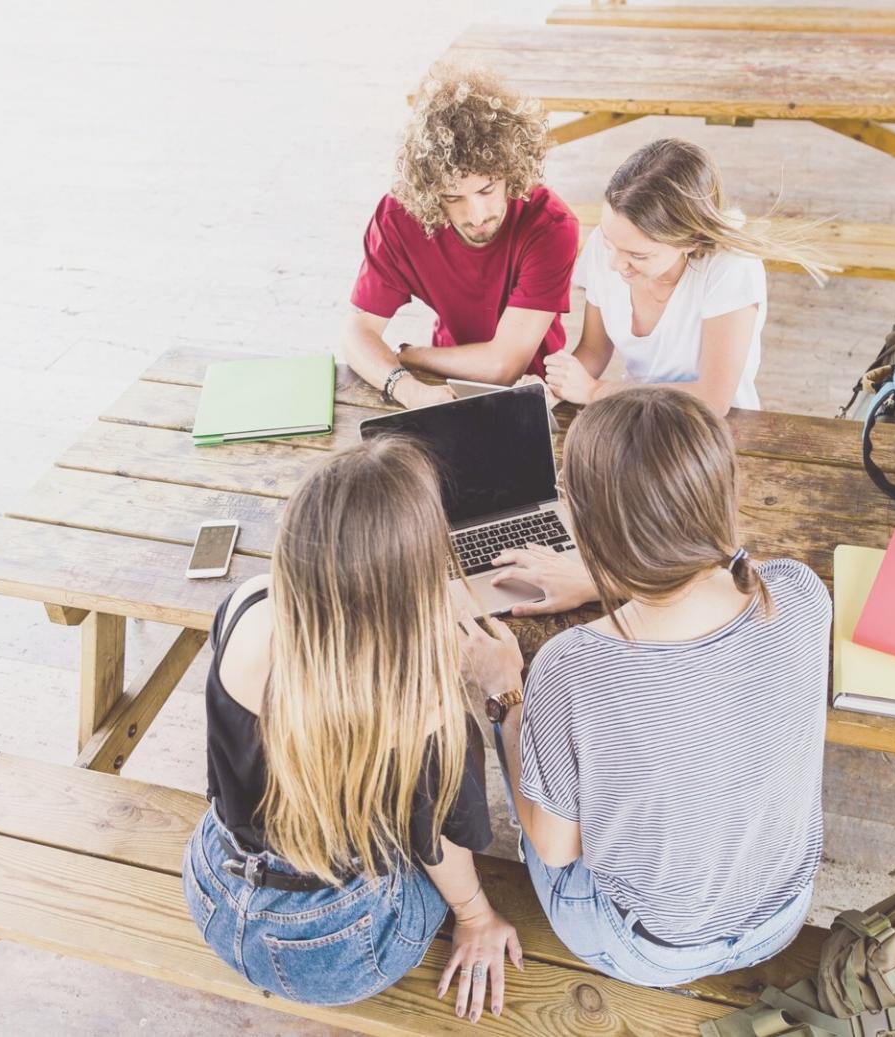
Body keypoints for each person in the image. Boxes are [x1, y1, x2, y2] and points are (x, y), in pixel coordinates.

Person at [460, 388, 833, 987]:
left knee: (526, 740)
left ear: (583, 524)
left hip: (653, 951)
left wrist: (505, 697)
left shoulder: (572, 665)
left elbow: (557, 851)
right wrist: (608, 575)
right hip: (783, 915)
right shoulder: (800, 591)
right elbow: (718, 578)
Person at [182, 438, 522, 1022]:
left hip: (215, 886)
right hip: (338, 943)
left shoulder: (246, 606)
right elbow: (439, 844)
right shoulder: (424, 707)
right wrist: (476, 917)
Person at [344, 64, 581, 410]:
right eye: (453, 198)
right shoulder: (398, 217)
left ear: (513, 173)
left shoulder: (551, 225)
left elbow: (502, 366)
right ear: (429, 192)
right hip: (438, 386)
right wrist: (407, 388)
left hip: (534, 389)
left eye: (487, 189)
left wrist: (417, 356)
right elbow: (355, 334)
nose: (477, 215)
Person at [542, 138, 829, 416]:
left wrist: (595, 392)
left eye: (639, 255)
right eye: (608, 243)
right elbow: (593, 350)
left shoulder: (732, 266)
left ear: (691, 241)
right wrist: (552, 387)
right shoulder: (611, 243)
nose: (615, 263)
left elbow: (712, 399)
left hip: (711, 432)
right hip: (634, 414)